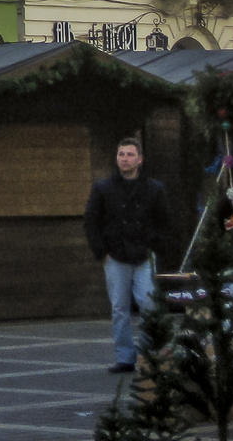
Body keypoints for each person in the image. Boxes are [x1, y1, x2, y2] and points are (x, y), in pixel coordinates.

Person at [83, 136, 173, 373]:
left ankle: (149, 354)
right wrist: (102, 253)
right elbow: (91, 222)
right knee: (119, 308)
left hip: (144, 255)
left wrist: (155, 247)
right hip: (115, 256)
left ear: (140, 159)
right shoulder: (103, 189)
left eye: (130, 154)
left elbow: (165, 222)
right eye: (121, 154)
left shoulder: (154, 189)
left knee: (148, 303)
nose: (125, 159)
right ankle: (124, 357)